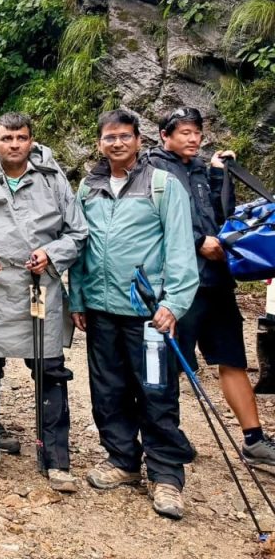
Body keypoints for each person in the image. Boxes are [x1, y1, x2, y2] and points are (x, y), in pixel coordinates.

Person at [69, 109, 198, 520]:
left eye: (125, 136)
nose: (118, 143)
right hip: (101, 309)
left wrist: (173, 303)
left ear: (140, 141)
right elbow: (80, 246)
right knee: (108, 389)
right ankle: (122, 458)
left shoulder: (162, 185)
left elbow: (181, 247)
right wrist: (77, 298)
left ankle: (166, 474)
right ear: (99, 144)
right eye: (110, 137)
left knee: (156, 390)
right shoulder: (89, 188)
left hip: (149, 313)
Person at [0, 113, 87, 491]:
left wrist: (52, 254)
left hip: (37, 286)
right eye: (7, 138)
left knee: (50, 371)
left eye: (21, 138)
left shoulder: (53, 178)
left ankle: (55, 457)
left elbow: (77, 233)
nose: (14, 144)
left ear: (31, 141)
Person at [147, 107, 275, 463]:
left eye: (197, 133)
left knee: (232, 358)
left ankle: (254, 440)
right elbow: (150, 222)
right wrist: (197, 241)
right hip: (179, 285)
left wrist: (220, 176)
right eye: (185, 132)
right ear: (165, 135)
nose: (193, 139)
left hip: (217, 281)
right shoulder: (151, 170)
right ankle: (166, 437)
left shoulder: (202, 169)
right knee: (171, 365)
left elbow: (223, 217)